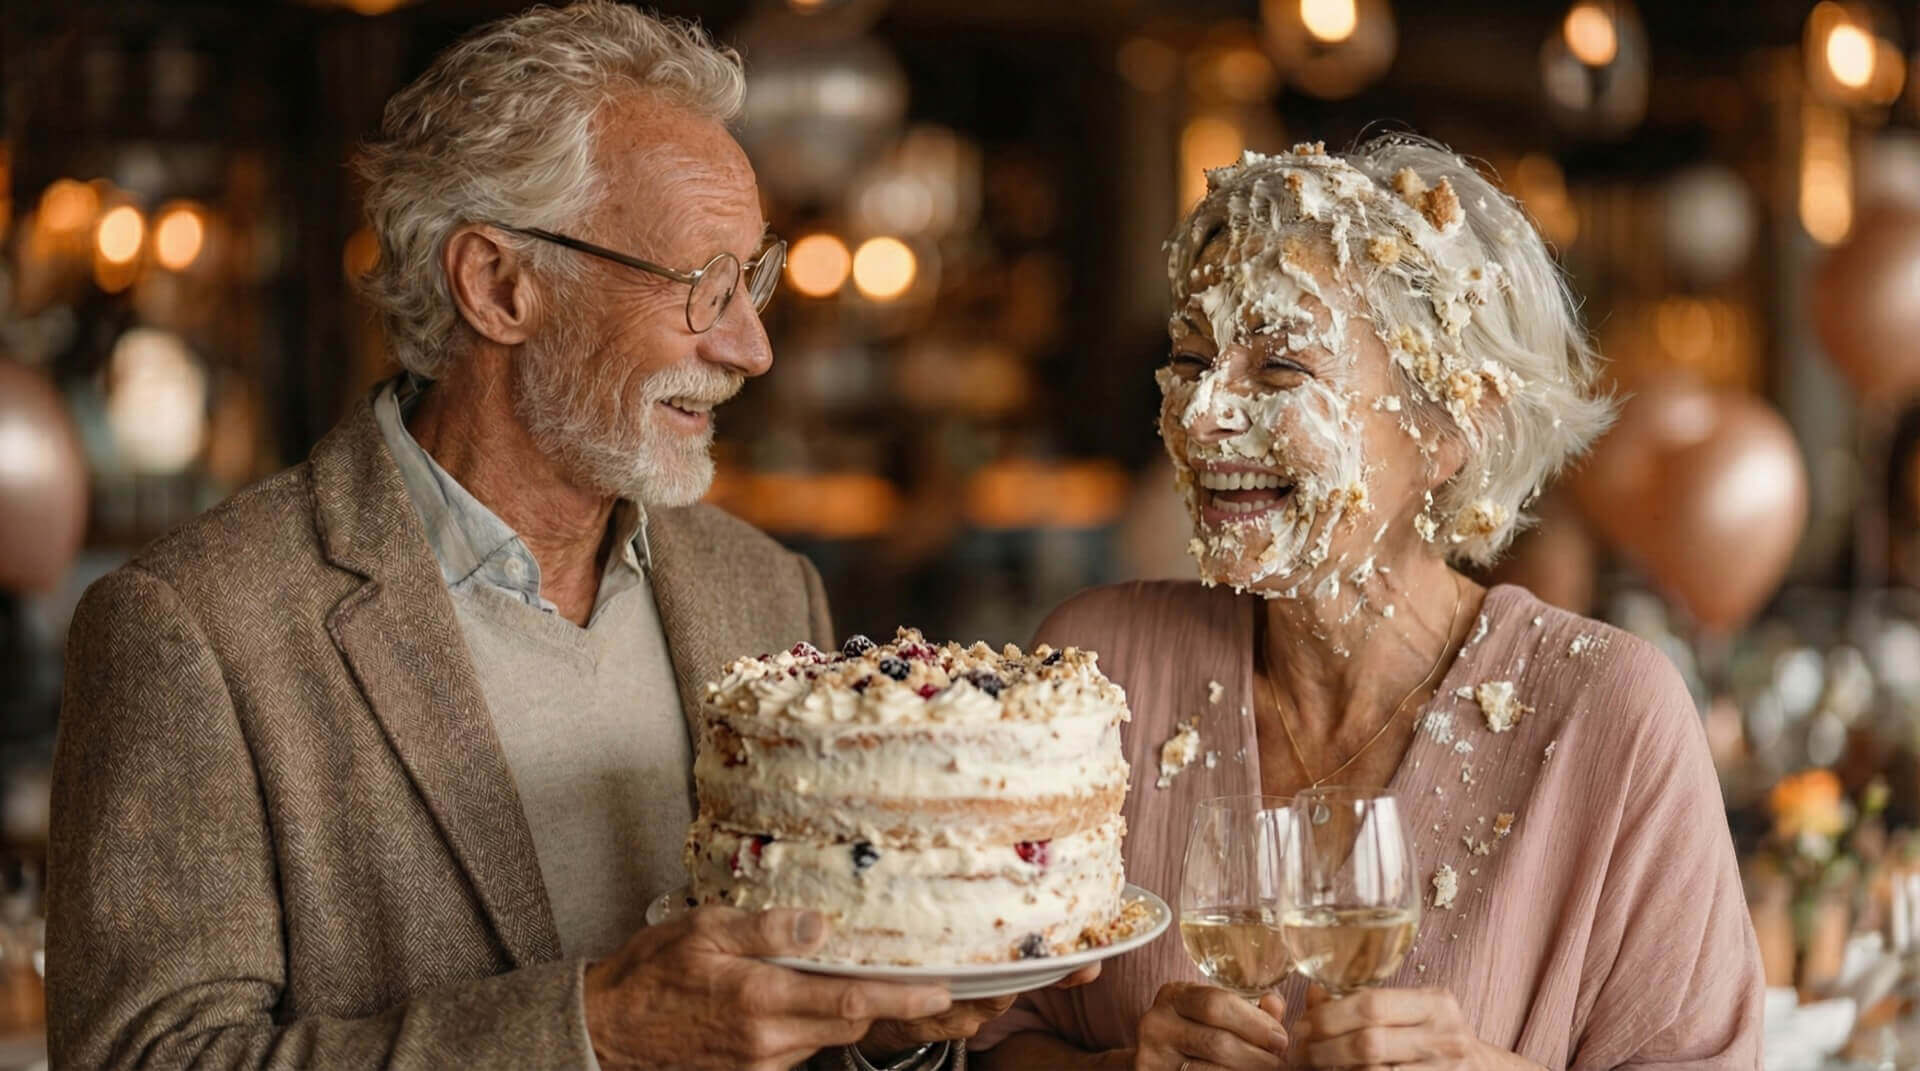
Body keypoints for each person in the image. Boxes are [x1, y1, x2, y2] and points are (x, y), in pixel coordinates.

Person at [47, 4, 1056, 1068]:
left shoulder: (767, 591)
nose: (751, 348)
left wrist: (882, 1030)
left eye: (749, 282)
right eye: (702, 286)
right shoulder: (193, 629)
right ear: (499, 285)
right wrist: (592, 1033)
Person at [974, 138, 1765, 1069]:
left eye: (1277, 370)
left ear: (1449, 425)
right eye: (1191, 359)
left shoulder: (1612, 714)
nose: (1198, 414)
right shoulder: (1095, 668)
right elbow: (979, 1038)